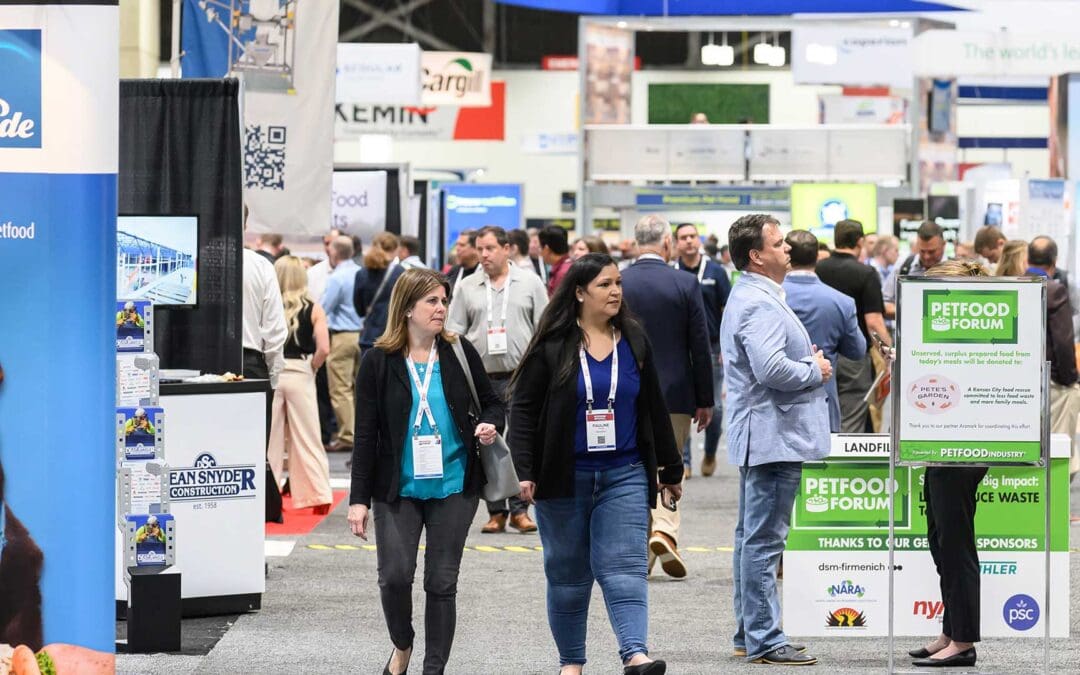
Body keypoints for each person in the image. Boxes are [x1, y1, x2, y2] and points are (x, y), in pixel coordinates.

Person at [509, 253, 682, 675]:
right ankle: (572, 663)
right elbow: (525, 411)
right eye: (605, 285)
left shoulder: (635, 339)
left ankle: (635, 655)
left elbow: (654, 407)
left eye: (618, 283)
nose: (616, 291)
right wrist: (523, 471)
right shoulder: (552, 346)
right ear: (580, 292)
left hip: (624, 474)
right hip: (563, 478)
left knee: (625, 568)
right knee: (568, 577)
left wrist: (670, 470)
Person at [348, 268, 504, 675]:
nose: (441, 308)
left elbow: (493, 402)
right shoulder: (378, 362)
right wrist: (358, 501)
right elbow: (365, 437)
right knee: (395, 578)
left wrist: (489, 424)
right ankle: (402, 644)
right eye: (431, 301)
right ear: (407, 309)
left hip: (455, 485)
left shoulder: (458, 351)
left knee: (441, 582)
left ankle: (433, 669)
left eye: (443, 301)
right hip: (397, 488)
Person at [721, 214, 831, 666]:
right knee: (765, 541)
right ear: (757, 255)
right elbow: (772, 371)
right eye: (779, 242)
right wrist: (815, 371)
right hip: (774, 435)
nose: (788, 248)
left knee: (752, 537)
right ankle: (765, 637)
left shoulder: (755, 295)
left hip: (766, 432)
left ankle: (750, 632)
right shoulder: (759, 303)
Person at [908, 259, 991, 669]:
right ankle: (950, 630)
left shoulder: (972, 337)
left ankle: (964, 641)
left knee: (956, 546)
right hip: (942, 443)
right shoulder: (947, 334)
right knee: (941, 540)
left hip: (964, 447)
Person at [621, 215, 712, 579]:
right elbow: (700, 346)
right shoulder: (686, 283)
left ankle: (640, 553)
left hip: (624, 389)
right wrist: (704, 398)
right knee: (669, 464)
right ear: (666, 244)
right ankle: (664, 530)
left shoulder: (617, 282)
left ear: (635, 241)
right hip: (675, 392)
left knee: (633, 466)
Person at [446, 226, 549, 534]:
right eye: (480, 248)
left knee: (520, 442)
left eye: (490, 248)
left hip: (522, 376)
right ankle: (496, 510)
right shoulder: (467, 286)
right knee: (488, 443)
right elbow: (455, 332)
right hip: (482, 380)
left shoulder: (530, 283)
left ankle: (520, 509)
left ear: (507, 249)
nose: (484, 254)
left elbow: (544, 328)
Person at [782, 231, 866, 433]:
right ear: (817, 257)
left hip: (777, 405)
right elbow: (857, 350)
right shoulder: (842, 302)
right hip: (823, 403)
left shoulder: (770, 297)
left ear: (787, 256)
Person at [269, 256, 333, 513]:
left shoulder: (269, 305)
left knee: (269, 440)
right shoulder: (313, 307)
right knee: (308, 438)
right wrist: (313, 367)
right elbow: (324, 348)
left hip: (273, 374)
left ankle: (269, 496)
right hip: (301, 372)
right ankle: (317, 495)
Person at [815, 220, 891, 433]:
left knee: (820, 413)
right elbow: (874, 321)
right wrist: (888, 353)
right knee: (851, 418)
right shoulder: (866, 274)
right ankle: (844, 464)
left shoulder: (818, 270)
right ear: (860, 241)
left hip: (819, 354)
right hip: (853, 357)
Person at [672, 222, 731, 477]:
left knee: (715, 406)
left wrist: (726, 346)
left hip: (712, 345)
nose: (688, 241)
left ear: (699, 240)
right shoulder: (671, 272)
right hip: (678, 347)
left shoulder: (716, 272)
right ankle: (684, 460)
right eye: (683, 237)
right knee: (682, 404)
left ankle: (709, 452)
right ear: (676, 242)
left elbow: (728, 310)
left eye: (692, 236)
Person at [1026, 236, 1080, 480]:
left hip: (1016, 384)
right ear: (1054, 262)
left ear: (1027, 259)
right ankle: (1055, 508)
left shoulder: (1012, 285)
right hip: (1051, 383)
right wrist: (1070, 380)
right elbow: (1062, 342)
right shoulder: (1055, 291)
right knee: (1058, 450)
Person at [320, 236, 363, 452]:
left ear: (334, 253)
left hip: (342, 337)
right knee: (359, 388)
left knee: (340, 388)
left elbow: (324, 307)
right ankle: (361, 434)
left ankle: (347, 436)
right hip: (363, 337)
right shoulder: (361, 272)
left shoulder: (337, 277)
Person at [242, 242, 287, 388]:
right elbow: (274, 330)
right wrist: (272, 380)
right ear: (245, 224)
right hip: (249, 365)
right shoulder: (260, 265)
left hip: (192, 364)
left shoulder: (194, 257)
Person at [356, 233, 406, 356]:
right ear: (395, 250)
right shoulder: (401, 273)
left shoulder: (362, 273)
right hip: (394, 337)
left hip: (369, 337)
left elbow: (360, 310)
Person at [883, 220, 947, 319]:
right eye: (922, 251)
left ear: (943, 245)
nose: (926, 257)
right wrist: (913, 312)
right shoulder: (904, 265)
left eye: (932, 252)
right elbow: (885, 303)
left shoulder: (956, 271)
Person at [539, 225, 572, 297]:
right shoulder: (568, 266)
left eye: (540, 248)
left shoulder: (562, 273)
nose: (540, 253)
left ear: (546, 249)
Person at [447, 230, 480, 294]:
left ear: (475, 248)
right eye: (457, 244)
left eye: (462, 245)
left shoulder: (485, 273)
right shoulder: (454, 271)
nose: (457, 249)